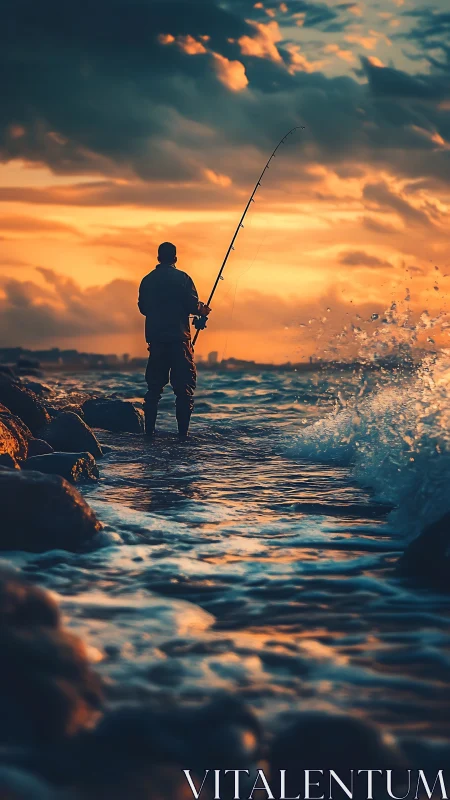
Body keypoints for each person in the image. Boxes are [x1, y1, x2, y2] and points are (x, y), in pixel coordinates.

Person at [138, 242, 211, 438]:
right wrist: (202, 311)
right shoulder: (183, 278)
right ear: (175, 259)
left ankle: (149, 434)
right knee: (184, 390)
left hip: (157, 342)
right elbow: (193, 305)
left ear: (158, 258)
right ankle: (182, 436)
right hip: (180, 341)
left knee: (153, 389)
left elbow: (143, 308)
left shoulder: (147, 280)